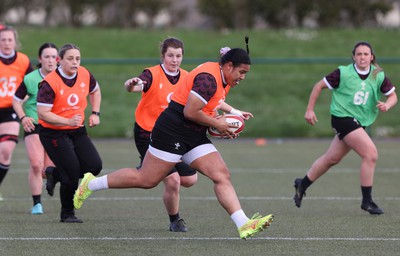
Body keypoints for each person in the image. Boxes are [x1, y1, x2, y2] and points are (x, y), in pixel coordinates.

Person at [74, 38, 274, 240]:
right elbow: (190, 111)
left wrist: (231, 114)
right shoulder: (208, 79)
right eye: (242, 72)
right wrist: (217, 124)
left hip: (193, 133)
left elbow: (215, 100)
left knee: (221, 174)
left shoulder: (223, 76)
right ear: (229, 66)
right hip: (171, 131)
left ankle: (244, 224)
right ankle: (90, 184)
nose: (243, 77)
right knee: (146, 179)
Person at [293, 41, 397, 215]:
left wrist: (388, 104)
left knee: (331, 159)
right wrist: (309, 109)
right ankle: (367, 201)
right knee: (371, 154)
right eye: (359, 54)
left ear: (372, 57)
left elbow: (393, 96)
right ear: (354, 57)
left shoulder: (378, 74)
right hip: (342, 118)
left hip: (359, 122)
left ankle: (302, 184)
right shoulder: (343, 72)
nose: (362, 57)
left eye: (366, 54)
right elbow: (318, 86)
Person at [124, 37, 198, 232]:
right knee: (173, 181)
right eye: (170, 55)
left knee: (190, 180)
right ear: (163, 56)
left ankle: (147, 165)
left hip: (173, 135)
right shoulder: (151, 74)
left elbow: (200, 100)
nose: (174, 60)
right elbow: (136, 85)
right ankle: (175, 220)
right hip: (147, 133)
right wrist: (131, 84)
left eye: (178, 56)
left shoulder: (187, 77)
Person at [37, 43, 102, 223]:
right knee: (72, 172)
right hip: (53, 132)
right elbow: (42, 113)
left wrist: (95, 113)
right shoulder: (50, 83)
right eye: (70, 59)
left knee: (94, 166)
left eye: (78, 59)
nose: (75, 62)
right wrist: (67, 121)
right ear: (60, 60)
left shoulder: (84, 73)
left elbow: (95, 91)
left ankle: (55, 173)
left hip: (77, 129)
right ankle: (67, 213)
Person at [12, 43, 58, 214]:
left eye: (54, 57)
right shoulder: (31, 79)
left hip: (56, 126)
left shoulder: (64, 77)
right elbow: (16, 100)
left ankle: (51, 177)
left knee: (48, 170)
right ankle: (37, 203)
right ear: (40, 59)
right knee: (36, 164)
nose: (51, 60)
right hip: (35, 125)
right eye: (47, 56)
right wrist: (23, 117)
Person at [0, 26, 34, 201]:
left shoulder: (23, 60)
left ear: (15, 42)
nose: (6, 43)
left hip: (10, 110)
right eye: (3, 39)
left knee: (5, 150)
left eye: (9, 40)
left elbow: (32, 82)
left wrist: (22, 98)